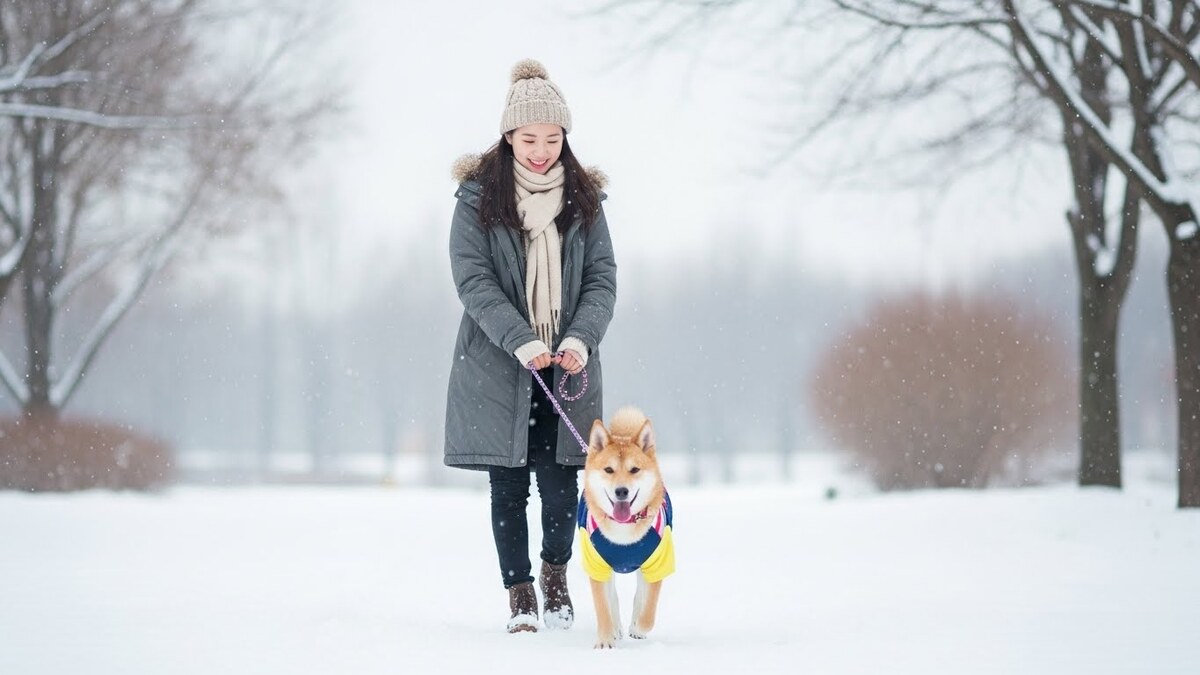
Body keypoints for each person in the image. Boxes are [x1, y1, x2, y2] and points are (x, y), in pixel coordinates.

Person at [444, 58, 617, 634]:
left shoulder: (585, 201)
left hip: (566, 367)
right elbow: (473, 280)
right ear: (508, 136)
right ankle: (520, 598)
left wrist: (580, 338)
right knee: (509, 486)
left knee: (562, 481)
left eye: (551, 138)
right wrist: (518, 338)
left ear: (564, 138)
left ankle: (555, 575)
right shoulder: (477, 200)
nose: (540, 150)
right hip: (499, 365)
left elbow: (601, 278)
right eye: (528, 138)